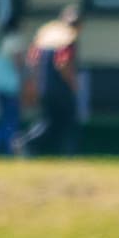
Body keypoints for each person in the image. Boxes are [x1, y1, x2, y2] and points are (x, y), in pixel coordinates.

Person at [28, 12, 82, 156]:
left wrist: (35, 82)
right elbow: (63, 64)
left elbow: (33, 60)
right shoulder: (67, 38)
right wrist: (72, 82)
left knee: (47, 120)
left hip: (45, 87)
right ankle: (29, 142)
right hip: (61, 89)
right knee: (68, 121)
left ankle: (27, 142)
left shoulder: (47, 37)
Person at [0, 16, 26, 156]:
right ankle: (8, 149)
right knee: (12, 118)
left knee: (4, 117)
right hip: (9, 85)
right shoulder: (15, 40)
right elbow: (18, 63)